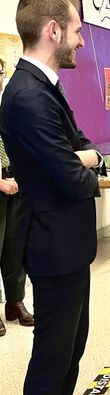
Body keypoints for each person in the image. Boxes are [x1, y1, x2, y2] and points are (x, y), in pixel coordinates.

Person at [0, 0, 110, 395]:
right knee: (51, 356)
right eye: (76, 31)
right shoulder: (26, 95)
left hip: (68, 243)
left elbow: (77, 141)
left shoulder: (44, 85)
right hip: (50, 244)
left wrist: (86, 157)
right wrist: (88, 166)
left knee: (73, 344)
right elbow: (72, 177)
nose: (81, 41)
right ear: (52, 31)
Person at [0, 58, 34, 337]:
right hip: (0, 184)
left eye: (1, 73)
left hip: (14, 181)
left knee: (15, 246)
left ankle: (15, 302)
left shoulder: (6, 106)